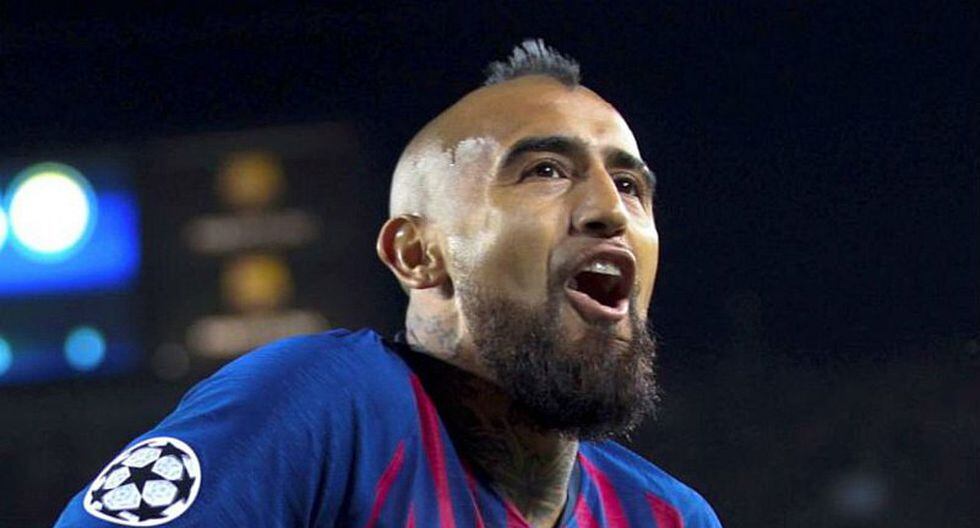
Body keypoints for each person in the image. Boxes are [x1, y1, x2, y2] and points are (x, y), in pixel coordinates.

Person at [55, 39, 723, 528]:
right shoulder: (319, 409)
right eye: (545, 170)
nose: (611, 210)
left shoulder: (670, 516)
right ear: (416, 253)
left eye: (630, 185)